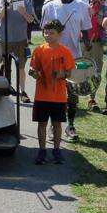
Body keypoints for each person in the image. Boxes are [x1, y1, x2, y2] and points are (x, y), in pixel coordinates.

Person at [41, 0, 92, 142]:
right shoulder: (49, 7)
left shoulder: (82, 7)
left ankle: (70, 125)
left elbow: (85, 30)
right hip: (53, 56)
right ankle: (52, 126)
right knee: (53, 93)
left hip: (73, 56)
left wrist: (87, 42)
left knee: (72, 94)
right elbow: (45, 31)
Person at [29, 19, 74, 165]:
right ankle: (42, 151)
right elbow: (34, 69)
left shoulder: (65, 51)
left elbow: (70, 73)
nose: (47, 35)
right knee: (41, 124)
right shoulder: (38, 50)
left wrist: (60, 75)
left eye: (51, 33)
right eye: (45, 32)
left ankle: (56, 150)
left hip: (59, 97)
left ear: (59, 34)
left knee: (57, 124)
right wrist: (33, 73)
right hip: (41, 95)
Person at [0, 0, 35, 103]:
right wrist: (7, 5)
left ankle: (22, 91)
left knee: (21, 66)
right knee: (5, 65)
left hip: (20, 39)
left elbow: (31, 20)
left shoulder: (25, 0)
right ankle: (5, 90)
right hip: (5, 39)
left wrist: (23, 12)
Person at [83, 0, 107, 112]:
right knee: (83, 67)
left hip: (97, 42)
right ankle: (83, 93)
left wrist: (94, 14)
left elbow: (105, 25)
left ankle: (91, 97)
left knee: (96, 69)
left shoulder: (104, 8)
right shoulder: (83, 6)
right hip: (83, 41)